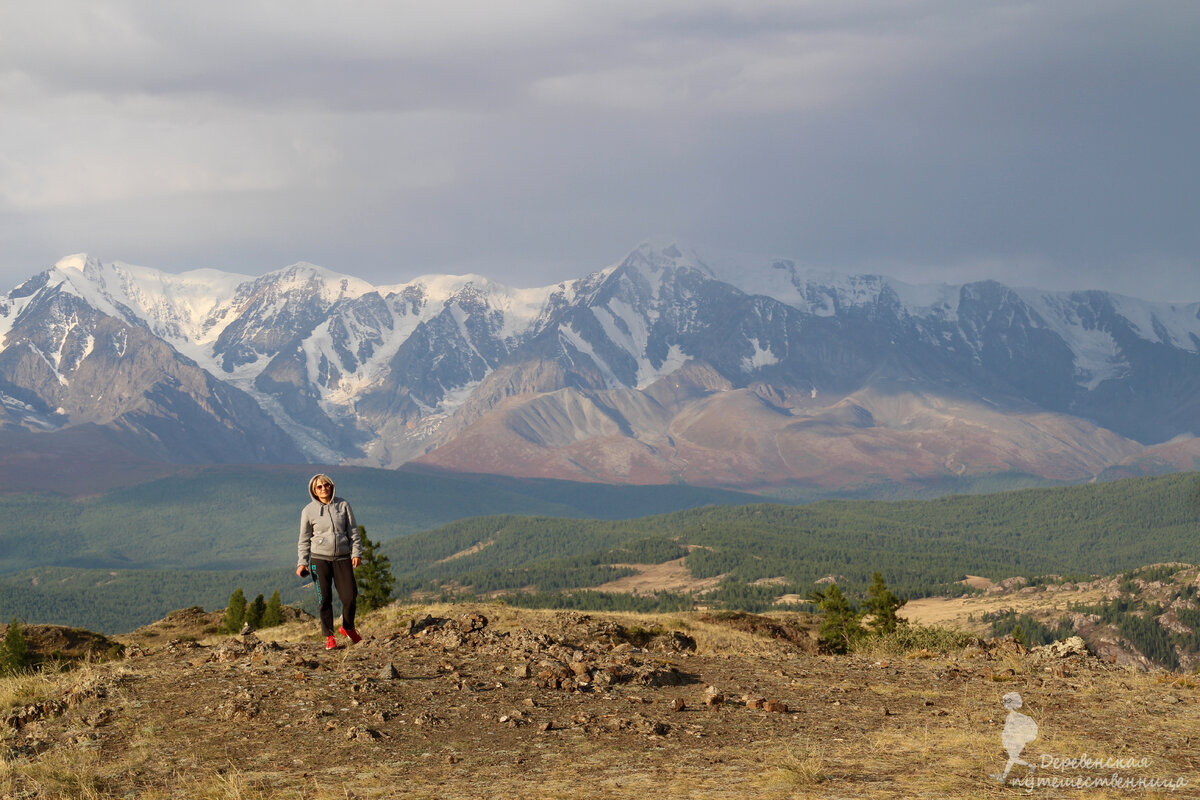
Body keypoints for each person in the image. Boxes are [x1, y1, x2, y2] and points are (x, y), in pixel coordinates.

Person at [297, 473, 363, 650]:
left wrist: (356, 553)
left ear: (331, 486)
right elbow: (304, 539)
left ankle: (348, 627)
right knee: (324, 599)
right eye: (319, 486)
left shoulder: (343, 505)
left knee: (350, 596)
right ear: (313, 490)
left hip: (343, 557)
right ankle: (329, 637)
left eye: (326, 485)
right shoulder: (308, 511)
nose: (323, 489)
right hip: (319, 559)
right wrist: (302, 562)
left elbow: (353, 531)